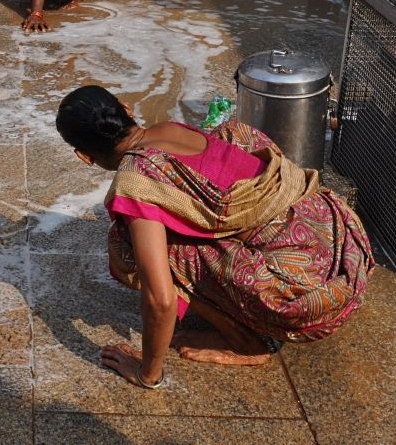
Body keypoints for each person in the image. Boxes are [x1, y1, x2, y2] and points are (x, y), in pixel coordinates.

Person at [55, 85, 374, 389]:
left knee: (126, 243)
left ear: (84, 156)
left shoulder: (135, 179)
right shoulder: (168, 130)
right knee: (226, 140)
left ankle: (245, 342)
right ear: (126, 109)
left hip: (304, 297)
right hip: (343, 248)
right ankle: (239, 309)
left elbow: (160, 300)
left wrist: (147, 373)